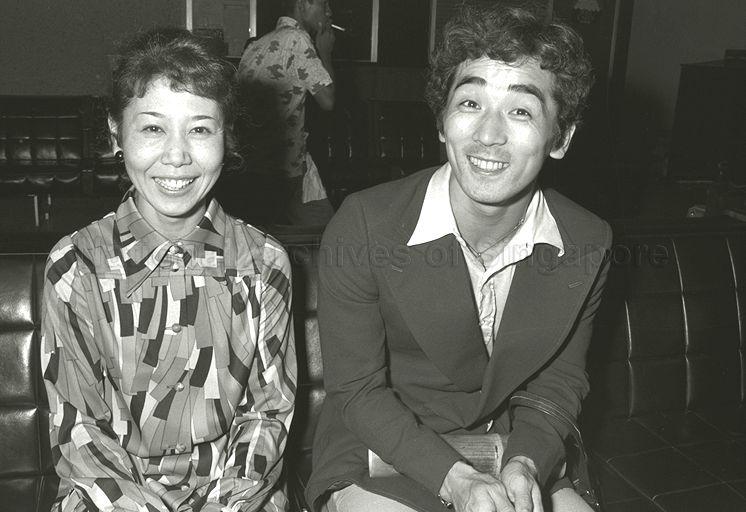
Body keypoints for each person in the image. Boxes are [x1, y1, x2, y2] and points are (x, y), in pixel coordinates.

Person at [306, 4, 610, 512]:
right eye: (470, 102)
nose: (488, 134)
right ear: (442, 123)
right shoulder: (364, 224)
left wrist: (526, 463)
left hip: (512, 444)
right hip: (383, 446)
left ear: (561, 137)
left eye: (521, 111)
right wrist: (457, 481)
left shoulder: (587, 239)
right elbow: (357, 391)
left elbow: (559, 382)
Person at [40, 28, 296, 512]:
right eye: (153, 129)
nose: (177, 156)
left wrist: (223, 505)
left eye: (199, 129)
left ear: (226, 136)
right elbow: (78, 429)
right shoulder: (75, 266)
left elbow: (268, 415)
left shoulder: (264, 262)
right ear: (116, 134)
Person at [236, 0, 336, 226]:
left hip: (257, 164)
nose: (329, 13)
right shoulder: (297, 39)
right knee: (322, 232)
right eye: (324, 5)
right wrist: (326, 52)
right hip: (284, 167)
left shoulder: (257, 44)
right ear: (303, 4)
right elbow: (328, 100)